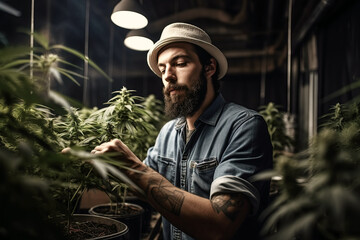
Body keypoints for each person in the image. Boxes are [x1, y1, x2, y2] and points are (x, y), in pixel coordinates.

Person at [91, 22, 273, 240]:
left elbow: (220, 226)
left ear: (209, 68)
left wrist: (133, 168)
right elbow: (145, 189)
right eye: (162, 68)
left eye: (180, 63)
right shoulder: (168, 132)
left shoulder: (244, 126)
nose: (168, 76)